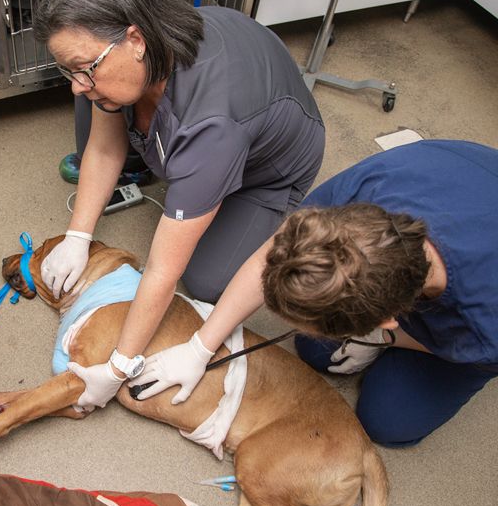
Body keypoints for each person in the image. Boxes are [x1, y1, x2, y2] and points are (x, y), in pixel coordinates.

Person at [32, 0, 324, 409]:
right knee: (96, 100)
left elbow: (161, 272)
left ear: (135, 40)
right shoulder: (129, 54)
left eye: (84, 67)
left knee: (207, 280)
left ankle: (205, 182)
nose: (76, 83)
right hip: (209, 127)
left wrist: (117, 367)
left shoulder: (211, 125)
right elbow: (105, 145)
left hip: (268, 173)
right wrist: (78, 235)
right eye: (67, 69)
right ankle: (169, 163)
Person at [132, 139, 498, 447]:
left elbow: (474, 352)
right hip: (459, 174)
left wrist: (386, 337)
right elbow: (273, 255)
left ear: (388, 316)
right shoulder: (369, 191)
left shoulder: (486, 325)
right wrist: (201, 346)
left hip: (475, 318)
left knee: (387, 423)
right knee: (313, 350)